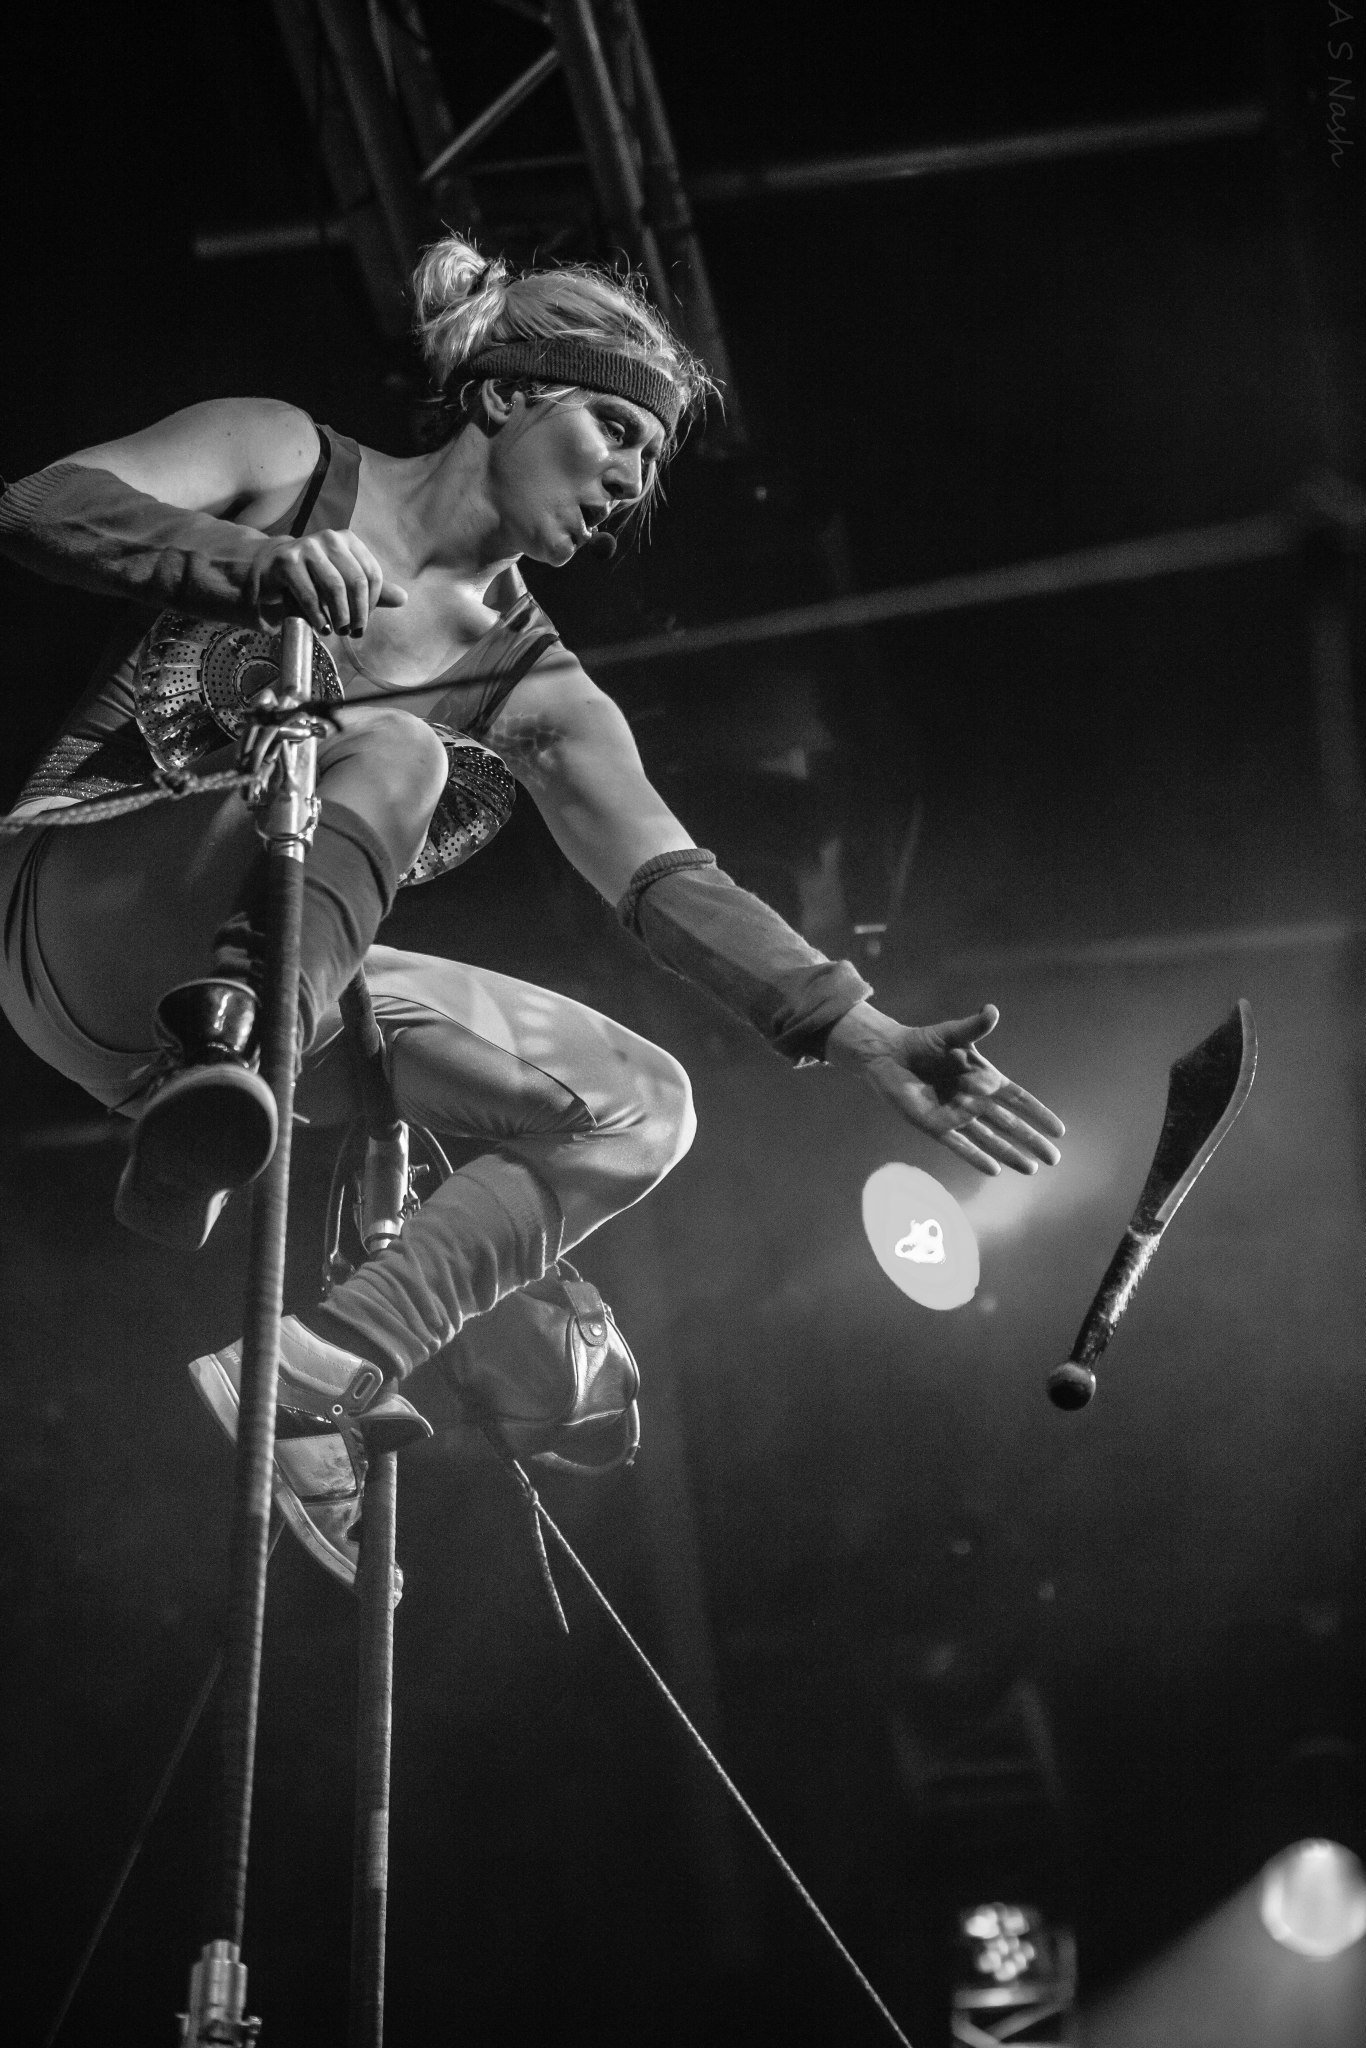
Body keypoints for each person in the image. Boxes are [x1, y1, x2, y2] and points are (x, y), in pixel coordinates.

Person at [0, 235, 1064, 1589]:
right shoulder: (284, 455)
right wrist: (245, 564)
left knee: (642, 1106)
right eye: (615, 429)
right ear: (506, 395)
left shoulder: (542, 687)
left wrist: (863, 1032)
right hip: (81, 902)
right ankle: (231, 1074)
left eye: (649, 464)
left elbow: (664, 875)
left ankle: (319, 1366)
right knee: (401, 753)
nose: (628, 481)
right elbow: (39, 503)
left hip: (244, 999)